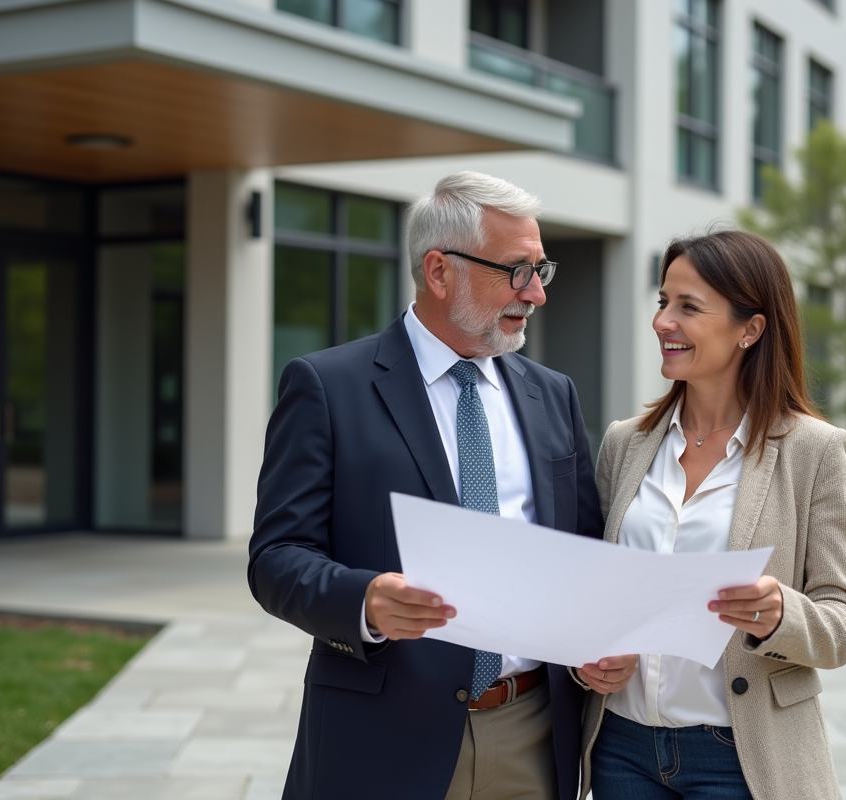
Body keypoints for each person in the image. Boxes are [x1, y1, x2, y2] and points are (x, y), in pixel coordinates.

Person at [249, 171, 628, 800]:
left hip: (533, 733)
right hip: (383, 740)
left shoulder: (552, 394)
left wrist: (602, 640)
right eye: (516, 270)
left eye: (541, 270)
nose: (535, 293)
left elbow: (583, 550)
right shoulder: (326, 387)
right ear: (439, 270)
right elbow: (275, 560)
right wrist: (364, 600)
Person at [578, 230, 846, 800]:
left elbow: (844, 624)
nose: (663, 321)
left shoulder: (814, 450)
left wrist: (779, 612)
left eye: (688, 306)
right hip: (620, 749)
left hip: (740, 755)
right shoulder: (624, 444)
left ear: (750, 329)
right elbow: (592, 591)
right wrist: (584, 659)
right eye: (663, 302)